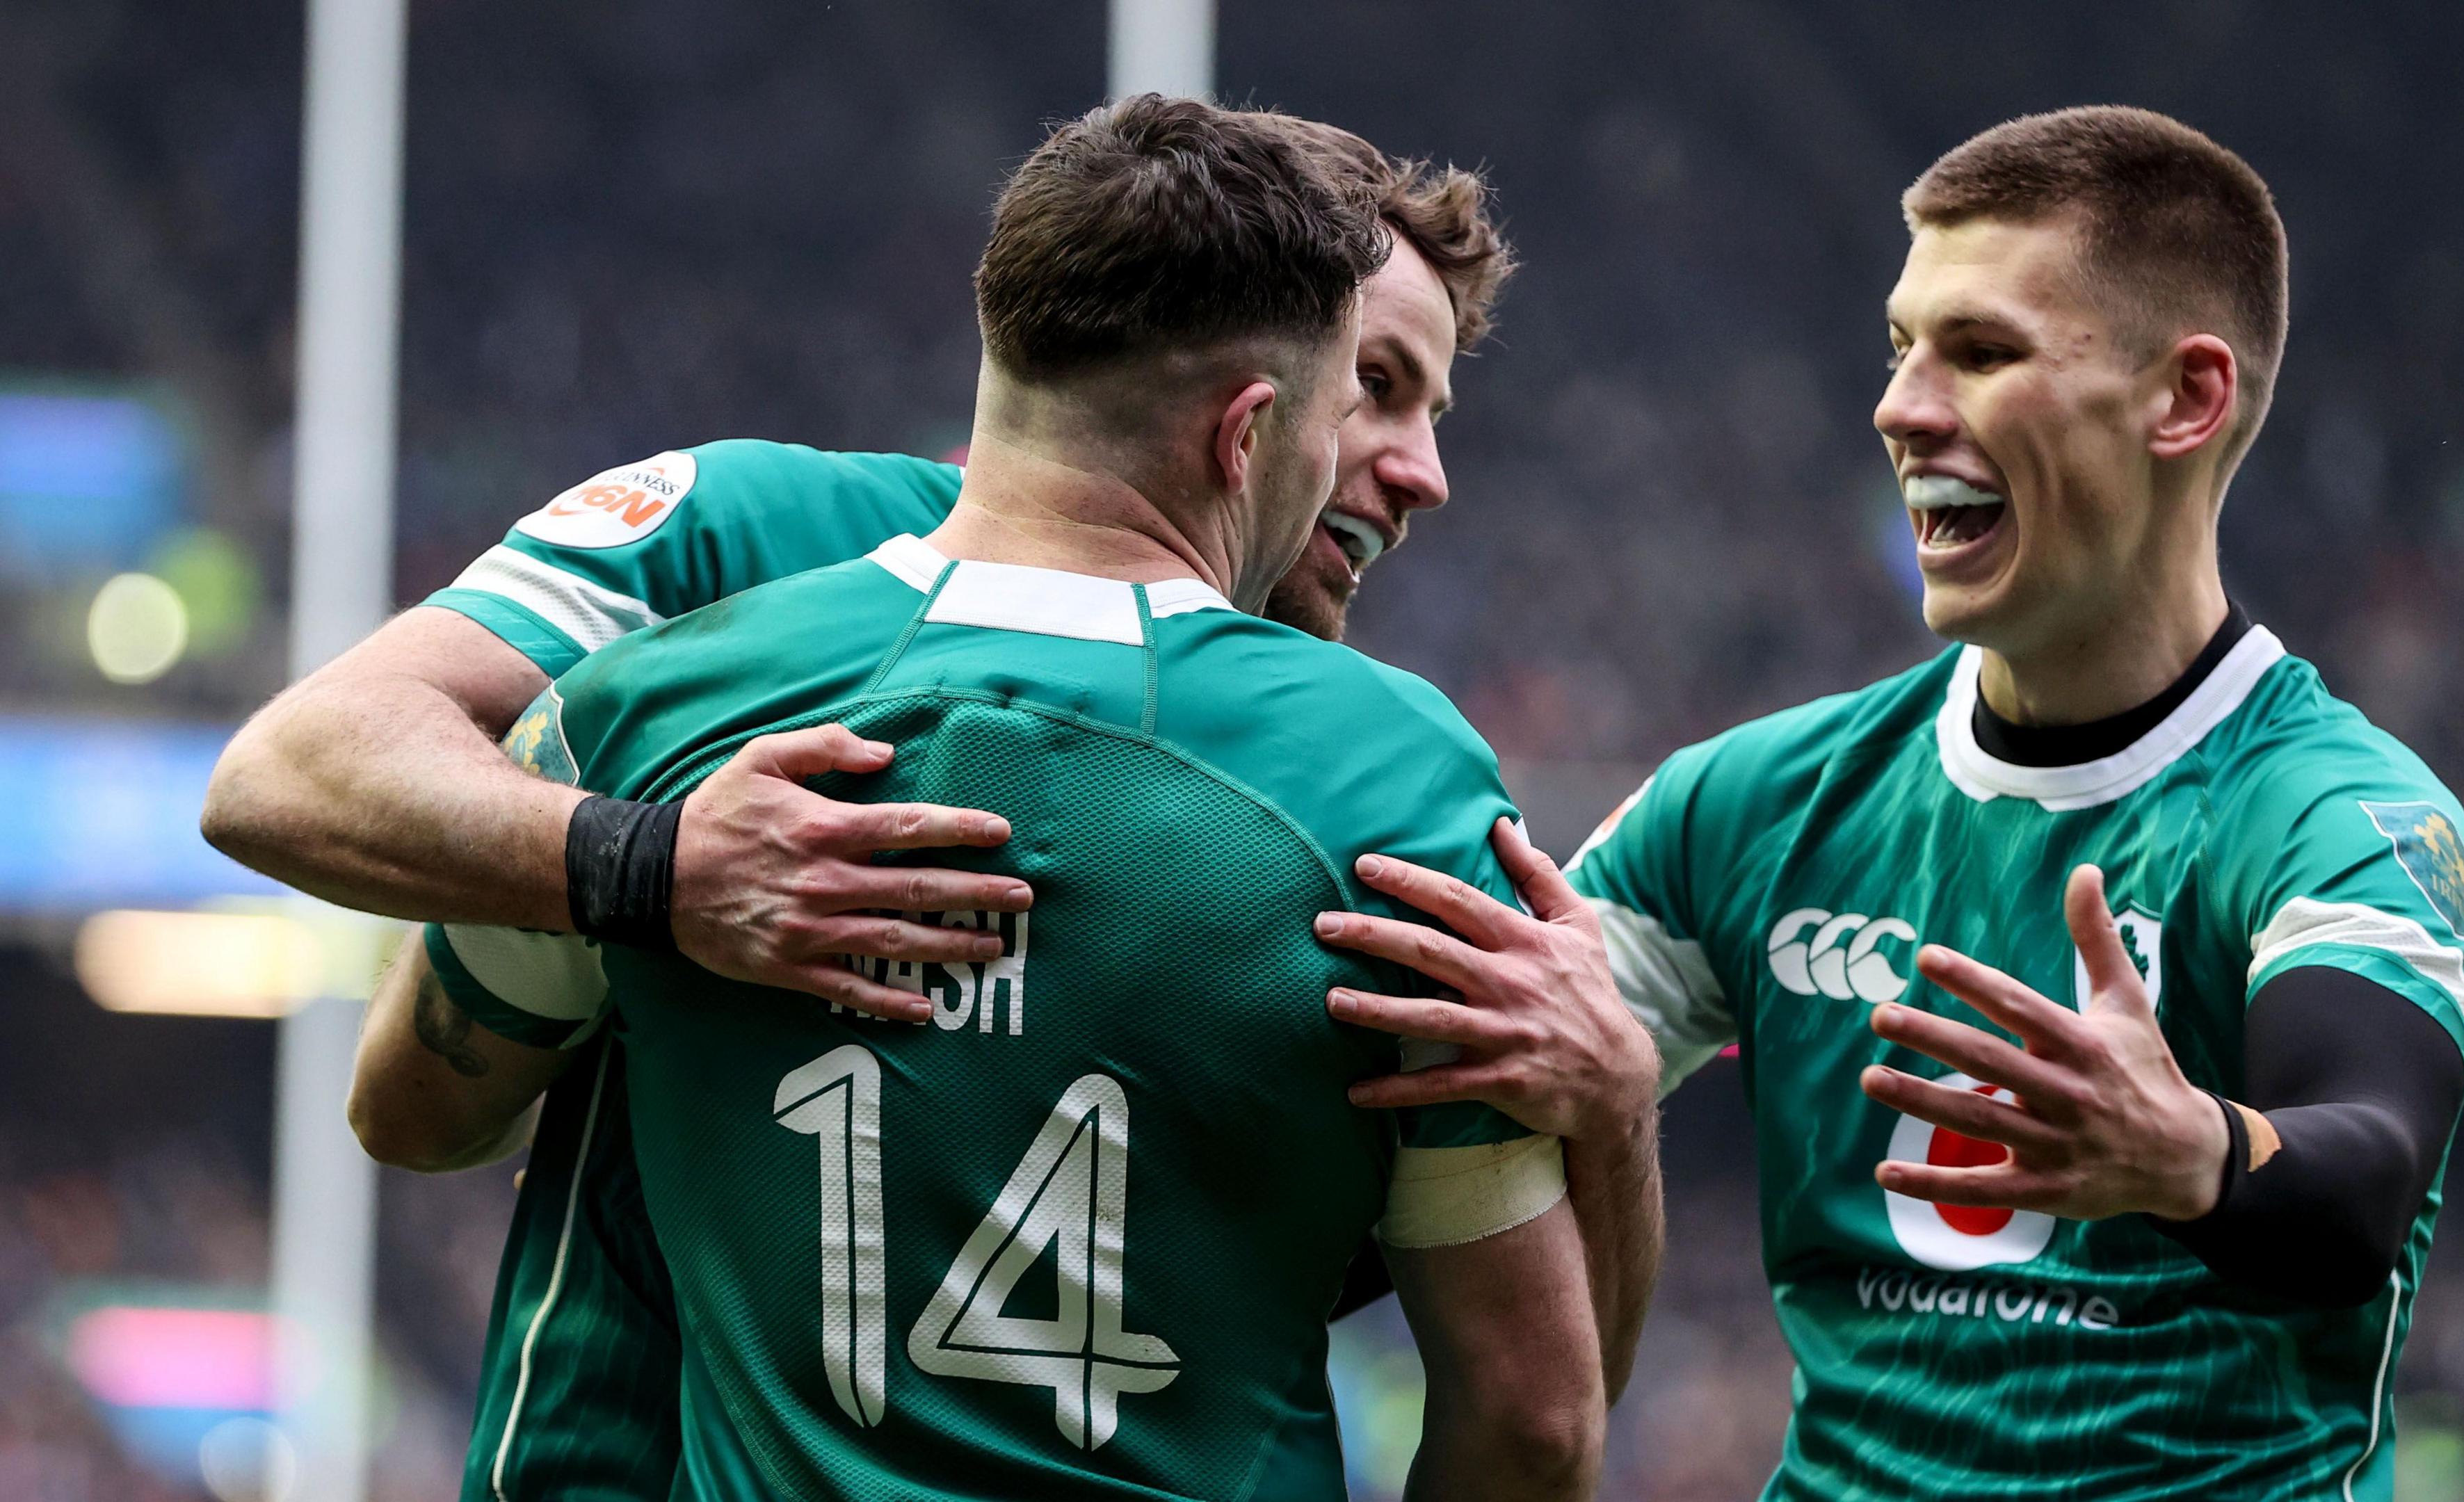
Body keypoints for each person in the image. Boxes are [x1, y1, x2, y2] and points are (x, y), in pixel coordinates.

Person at [204, 116, 1664, 1498]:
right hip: (619, 1449)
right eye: (1378, 387)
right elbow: (298, 771)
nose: (1421, 475)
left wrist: (1612, 1113)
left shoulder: (1322, 751)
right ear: (1253, 402)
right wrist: (650, 867)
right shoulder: (747, 537)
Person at [1316, 106, 2464, 1499]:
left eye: (1982, 353)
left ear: (2187, 399)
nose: (1900, 406)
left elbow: (2364, 1174)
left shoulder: (2340, 819)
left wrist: (2194, 1153)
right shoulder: (1750, 809)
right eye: (1900, 348)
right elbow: (1415, 1137)